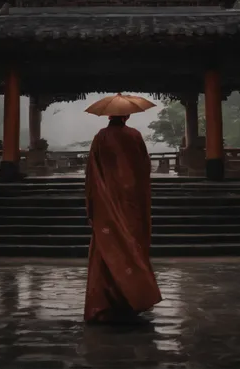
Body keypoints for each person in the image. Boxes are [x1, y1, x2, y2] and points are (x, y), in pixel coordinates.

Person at [84, 114, 162, 323]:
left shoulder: (101, 137)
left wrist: (92, 203)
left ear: (109, 115)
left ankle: (104, 303)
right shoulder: (134, 136)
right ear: (126, 115)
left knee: (106, 249)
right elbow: (144, 169)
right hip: (131, 204)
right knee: (131, 247)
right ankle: (132, 298)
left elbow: (92, 173)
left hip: (107, 201)